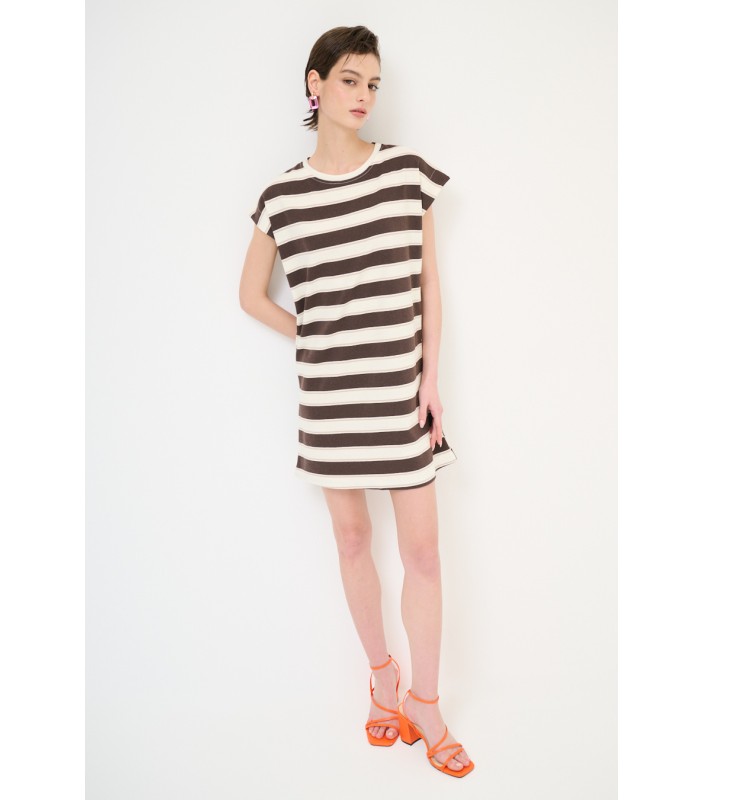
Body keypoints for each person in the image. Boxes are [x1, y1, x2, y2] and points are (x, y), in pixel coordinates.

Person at [239, 25, 473, 778]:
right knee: (350, 541)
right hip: (331, 398)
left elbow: (429, 282)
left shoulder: (405, 172)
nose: (364, 95)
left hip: (402, 393)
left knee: (423, 553)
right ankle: (382, 680)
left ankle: (426, 701)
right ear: (315, 84)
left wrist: (430, 379)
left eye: (373, 83)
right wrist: (313, 337)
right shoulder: (282, 196)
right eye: (349, 79)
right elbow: (251, 296)